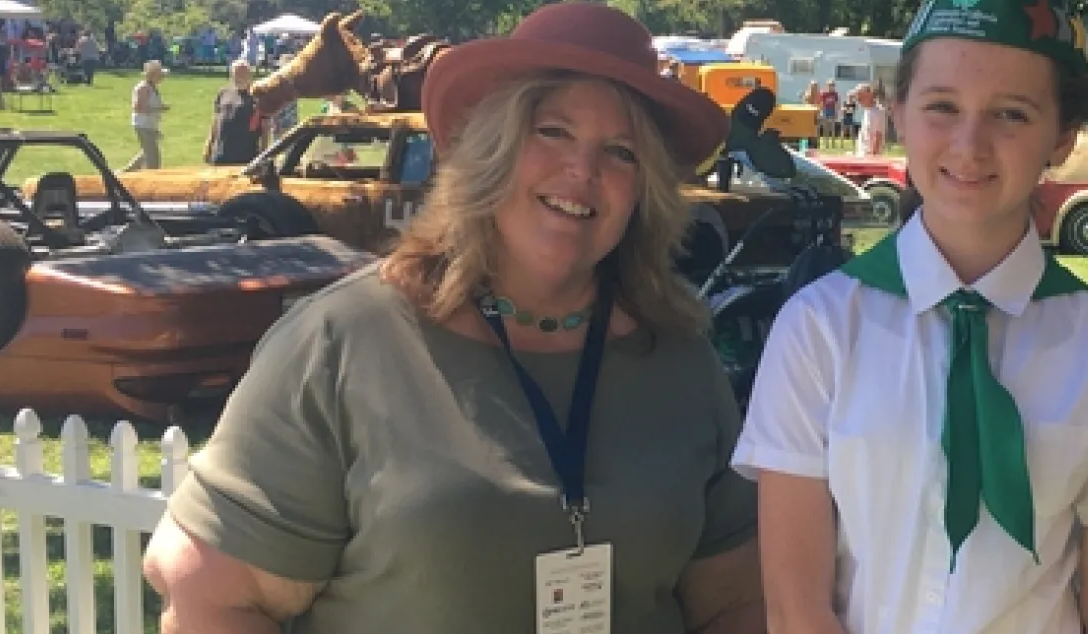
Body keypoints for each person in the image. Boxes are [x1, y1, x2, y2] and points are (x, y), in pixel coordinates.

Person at [141, 4, 765, 634]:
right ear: (488, 148)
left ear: (646, 188)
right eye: (552, 132)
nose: (584, 171)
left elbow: (737, 602)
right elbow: (209, 597)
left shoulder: (681, 359)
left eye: (621, 152)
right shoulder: (345, 342)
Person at [730, 0, 1088, 631]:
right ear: (899, 116)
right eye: (942, 106)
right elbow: (796, 606)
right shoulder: (819, 330)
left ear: (1061, 138)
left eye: (1011, 114)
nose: (969, 146)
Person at [204, 60, 260, 166]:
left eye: (244, 73)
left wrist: (263, 152)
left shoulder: (256, 96)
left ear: (250, 75)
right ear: (232, 75)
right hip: (221, 153)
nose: (240, 76)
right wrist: (209, 144)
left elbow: (265, 126)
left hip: (246, 155)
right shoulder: (223, 92)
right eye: (237, 73)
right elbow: (216, 121)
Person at [125, 60, 169, 171]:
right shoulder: (143, 88)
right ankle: (149, 180)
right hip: (143, 125)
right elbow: (138, 108)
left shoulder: (151, 87)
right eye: (160, 75)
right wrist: (159, 109)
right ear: (152, 75)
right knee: (153, 159)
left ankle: (127, 171)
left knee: (147, 152)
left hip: (149, 124)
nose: (162, 78)